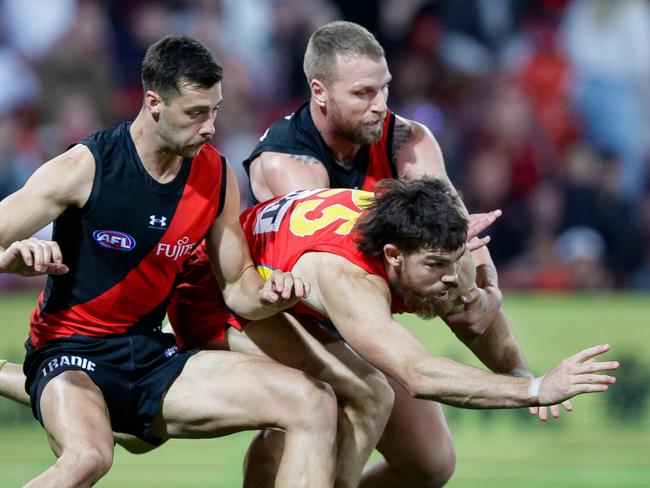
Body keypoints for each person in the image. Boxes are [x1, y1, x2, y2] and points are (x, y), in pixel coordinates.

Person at [0, 34, 338, 487]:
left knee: (312, 402)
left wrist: (270, 291)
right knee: (88, 457)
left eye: (215, 110)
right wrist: (9, 258)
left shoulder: (215, 174)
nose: (210, 127)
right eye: (196, 113)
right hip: (69, 350)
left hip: (148, 351)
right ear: (154, 102)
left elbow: (238, 285)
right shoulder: (86, 166)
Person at [241, 20, 543, 486]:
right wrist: (452, 244)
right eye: (362, 94)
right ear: (319, 92)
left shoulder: (409, 139)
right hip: (285, 308)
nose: (380, 105)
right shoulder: (286, 163)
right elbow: (327, 260)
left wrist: (486, 288)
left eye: (384, 89)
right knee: (346, 402)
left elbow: (452, 238)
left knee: (430, 463)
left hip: (358, 306)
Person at [232, 178, 619, 488]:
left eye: (456, 261)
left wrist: (518, 373)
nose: (450, 278)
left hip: (293, 294)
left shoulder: (442, 247)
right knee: (365, 394)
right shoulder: (347, 276)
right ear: (393, 256)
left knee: (429, 461)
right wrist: (535, 389)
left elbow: (471, 317)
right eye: (435, 265)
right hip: (228, 295)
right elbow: (416, 373)